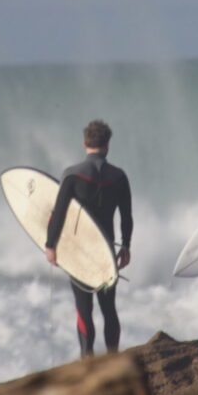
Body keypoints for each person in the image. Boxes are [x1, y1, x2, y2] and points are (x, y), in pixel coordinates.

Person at [45, 119, 133, 358]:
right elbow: (127, 216)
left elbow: (59, 214)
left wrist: (50, 245)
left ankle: (87, 359)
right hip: (106, 253)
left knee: (84, 309)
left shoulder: (72, 175)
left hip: (79, 255)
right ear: (107, 145)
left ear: (85, 144)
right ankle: (113, 359)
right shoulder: (119, 176)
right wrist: (126, 246)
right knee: (109, 309)